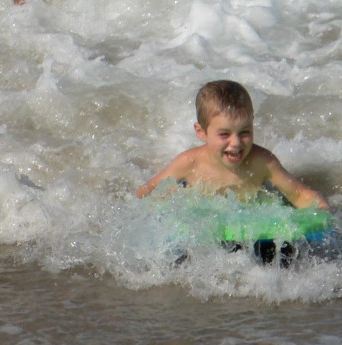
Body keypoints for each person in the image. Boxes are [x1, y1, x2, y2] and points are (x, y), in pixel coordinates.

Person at [136, 80, 329, 265]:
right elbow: (149, 191)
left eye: (244, 132)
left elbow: (297, 193)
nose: (236, 142)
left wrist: (320, 211)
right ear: (201, 132)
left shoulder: (263, 161)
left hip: (255, 235)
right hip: (202, 236)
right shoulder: (190, 162)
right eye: (224, 134)